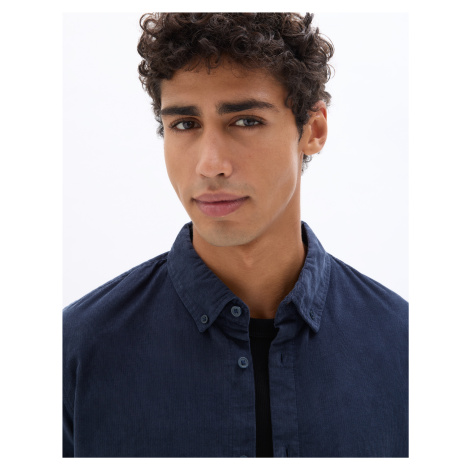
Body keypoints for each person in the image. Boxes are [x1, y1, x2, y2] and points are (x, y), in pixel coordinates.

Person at [63, 13, 408, 458]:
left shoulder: (407, 348)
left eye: (246, 121)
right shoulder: (76, 349)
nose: (211, 165)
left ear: (313, 129)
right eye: (185, 124)